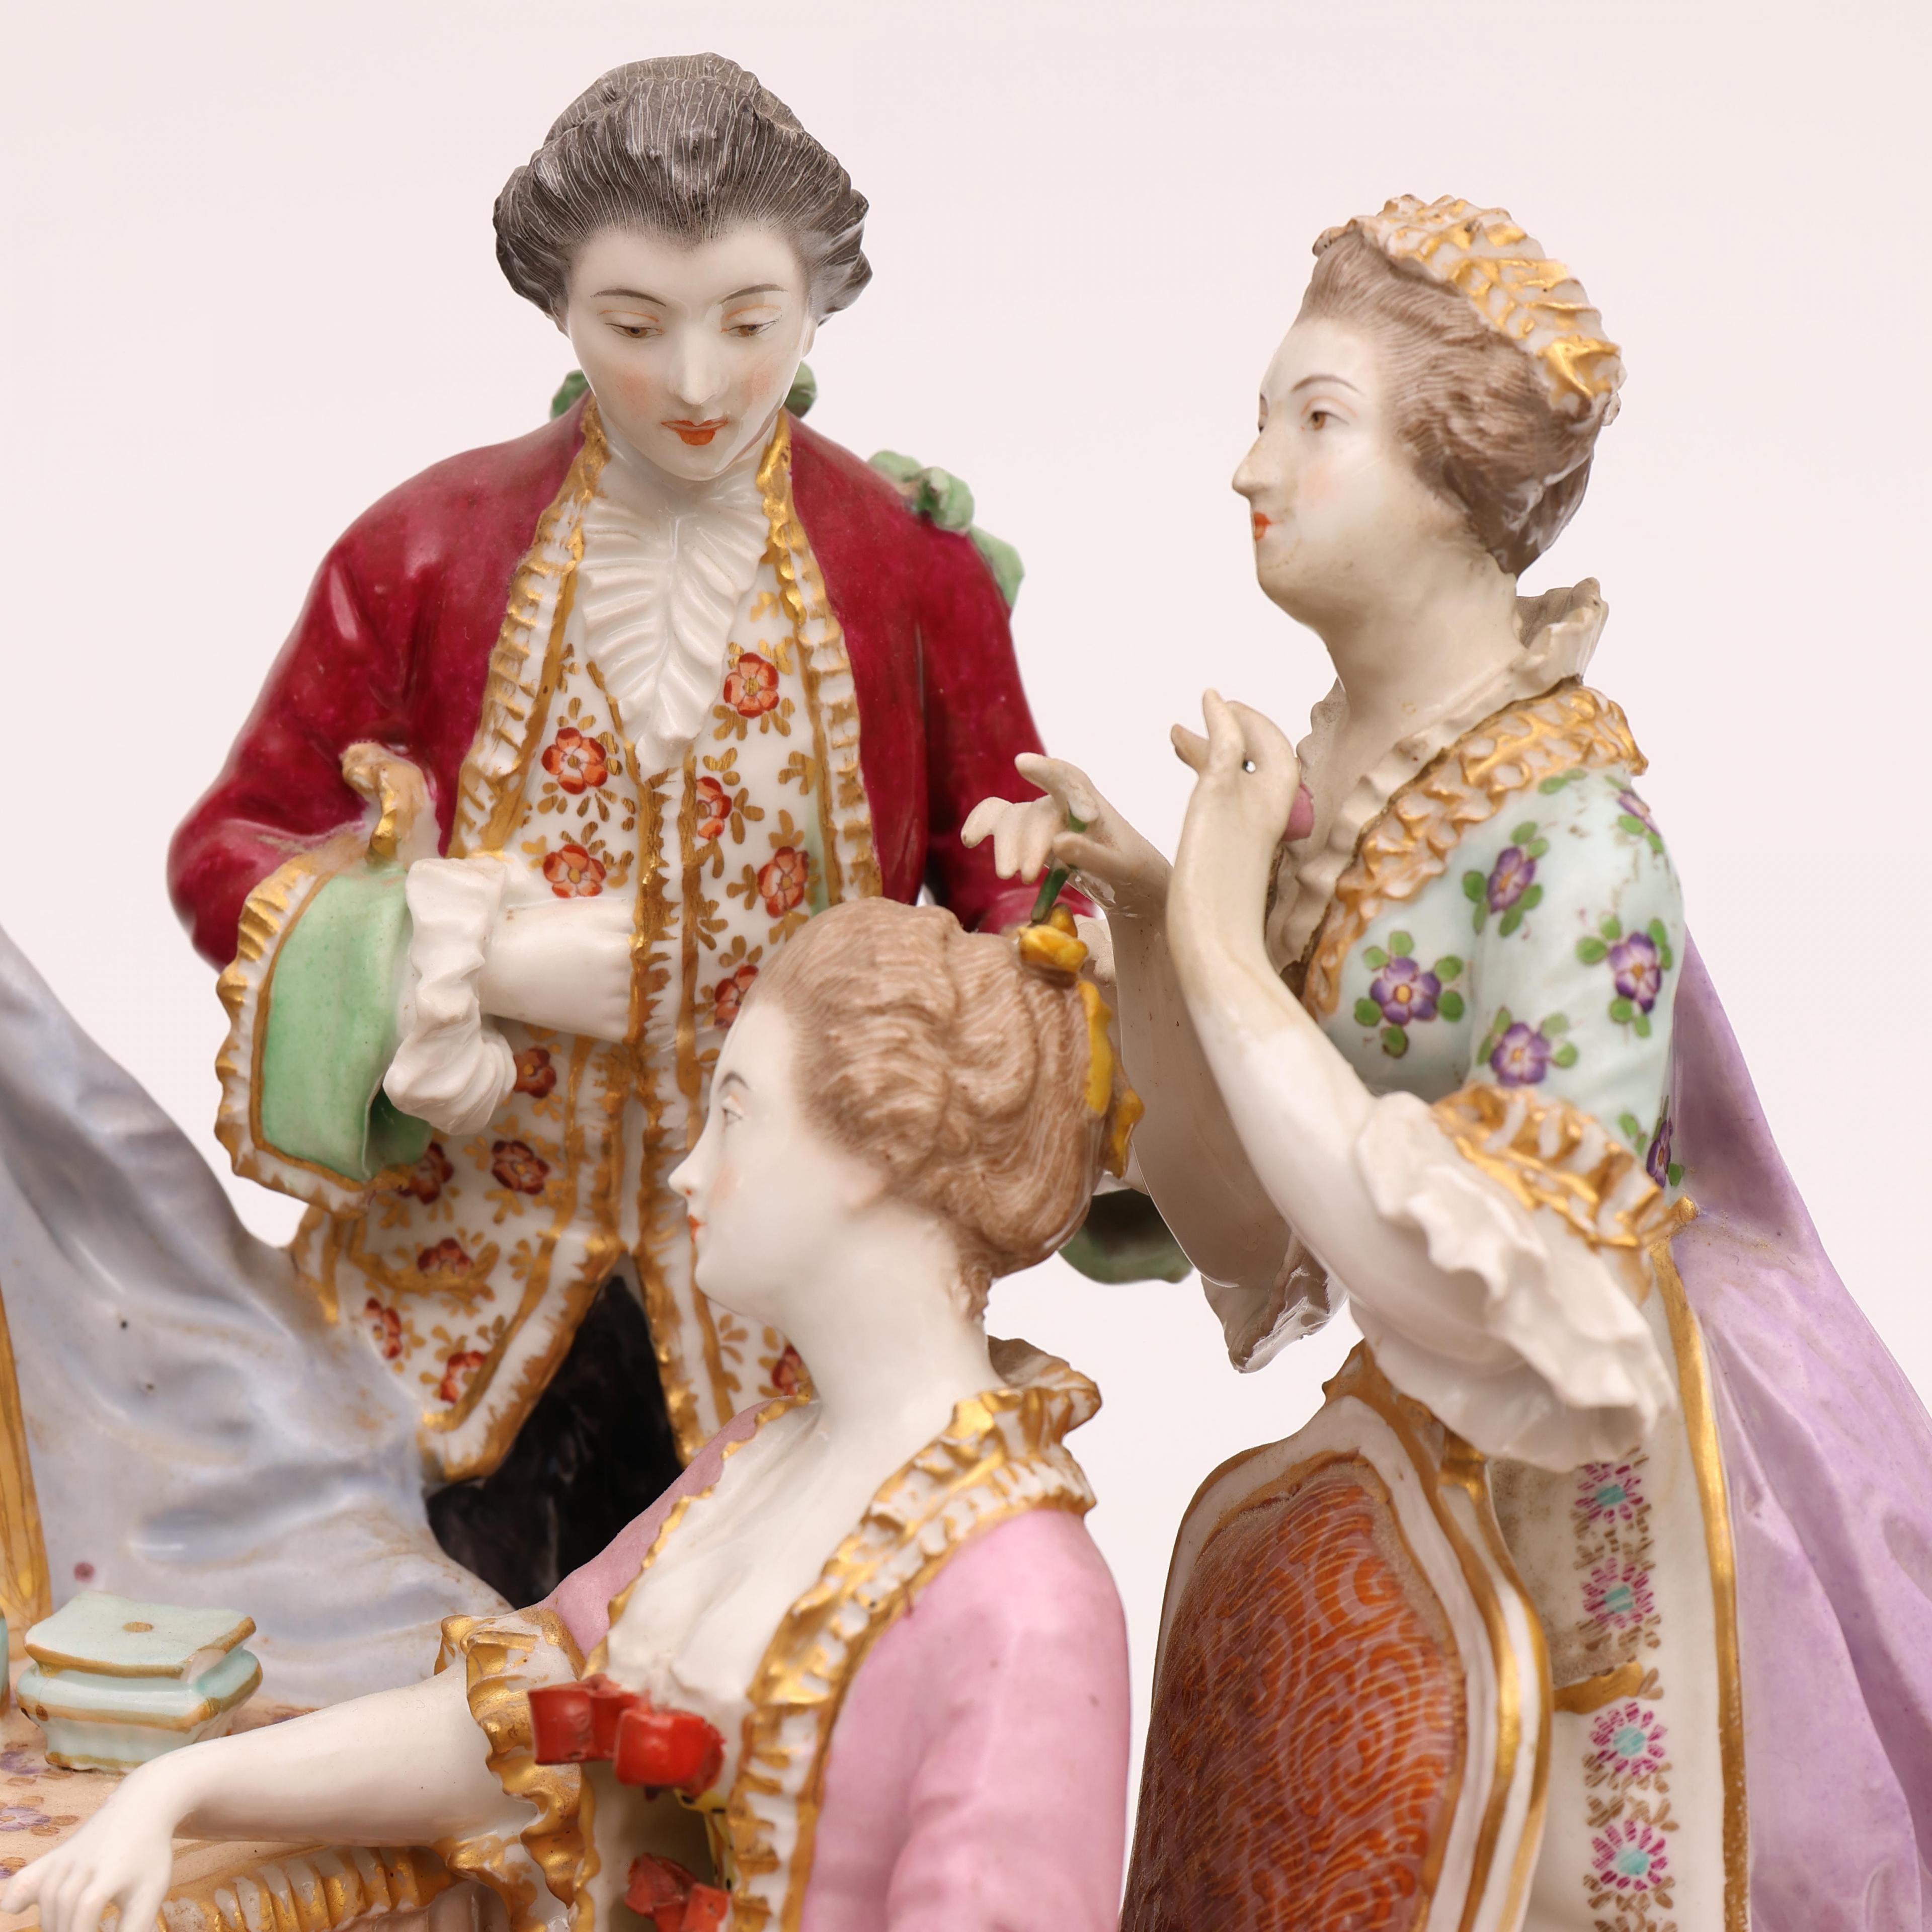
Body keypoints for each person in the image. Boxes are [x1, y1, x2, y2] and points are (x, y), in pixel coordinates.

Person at [970, 197, 1932, 1928]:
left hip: (1604, 1442)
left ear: (1456, 472)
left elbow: (1506, 1296)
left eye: (1314, 419)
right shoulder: (1337, 779)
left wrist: (1216, 935)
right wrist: (1163, 927)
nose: (1250, 466)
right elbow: (1260, 1244)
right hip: (1409, 1452)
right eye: (1263, 414)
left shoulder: (1576, 842)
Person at [167, 56, 1056, 1605]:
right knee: (430, 1646)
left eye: (748, 322)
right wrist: (453, 957)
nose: (698, 384)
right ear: (561, 308)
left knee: (762, 1661)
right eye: (636, 327)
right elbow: (231, 850)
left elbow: (1018, 904)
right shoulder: (422, 553)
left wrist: (985, 1050)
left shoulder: (913, 576)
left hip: (790, 1310)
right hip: (460, 1281)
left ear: (819, 302)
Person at [3, 897, 1134, 1932]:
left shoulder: (1023, 1599)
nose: (688, 1172)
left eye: (736, 1116)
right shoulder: (754, 1467)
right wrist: (178, 1789)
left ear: (872, 1155)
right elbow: (499, 1725)